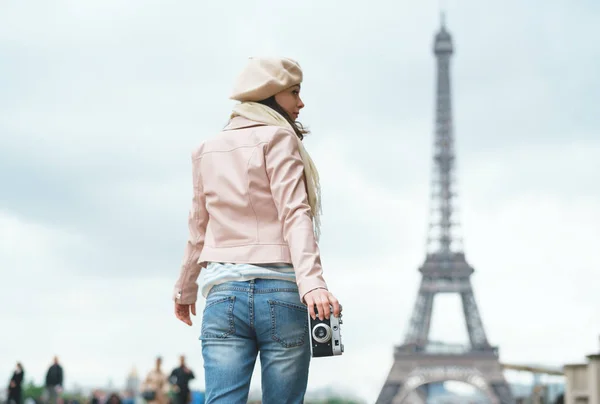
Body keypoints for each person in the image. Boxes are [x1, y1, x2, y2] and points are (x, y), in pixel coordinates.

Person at [172, 56, 342, 404]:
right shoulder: (279, 139)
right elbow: (295, 213)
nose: (301, 102)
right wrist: (313, 283)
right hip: (281, 293)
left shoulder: (205, 149)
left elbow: (198, 229)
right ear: (271, 95)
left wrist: (185, 288)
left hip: (223, 297)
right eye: (294, 92)